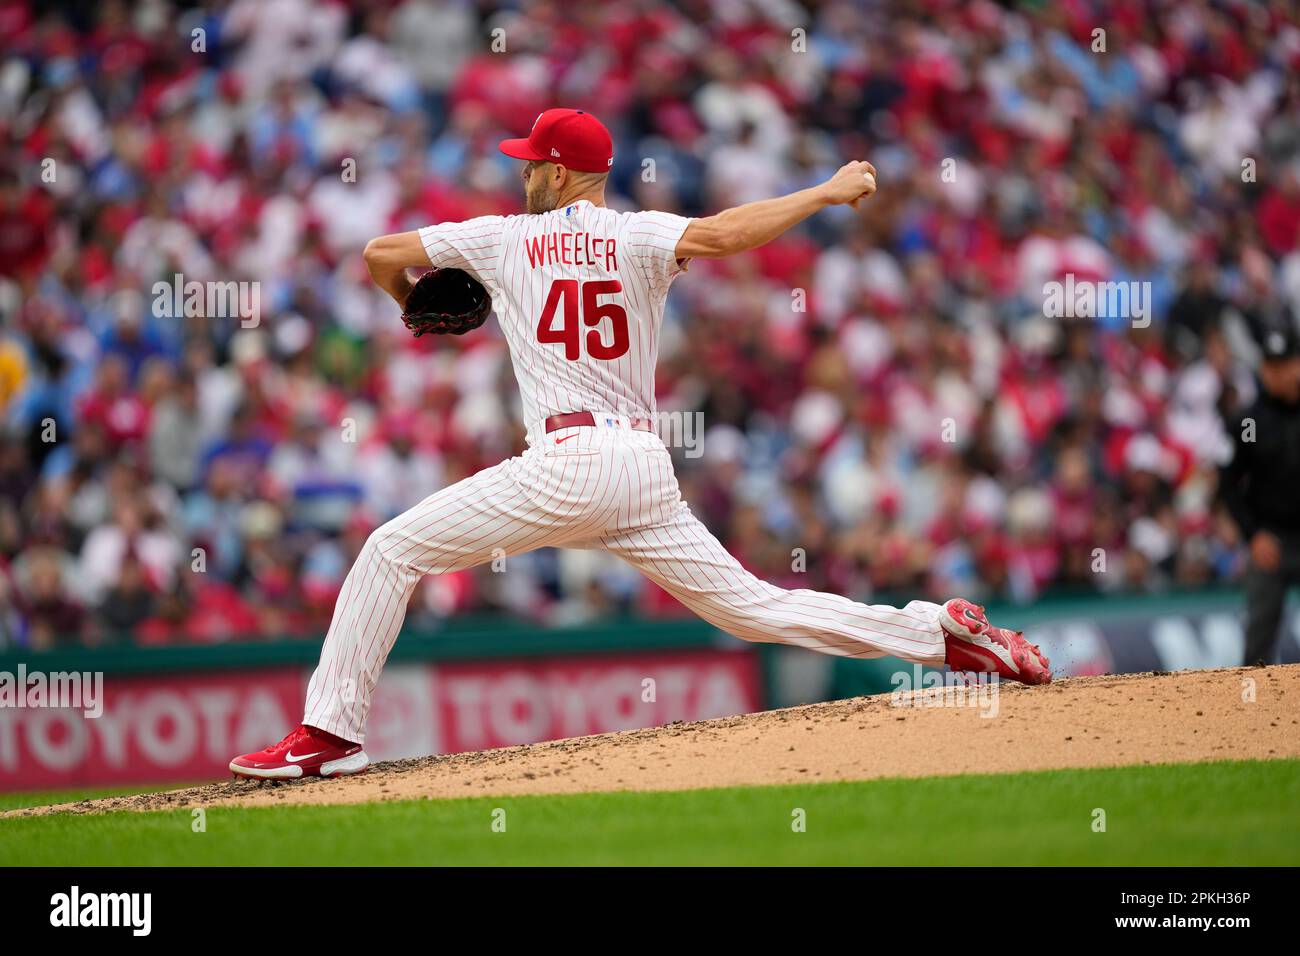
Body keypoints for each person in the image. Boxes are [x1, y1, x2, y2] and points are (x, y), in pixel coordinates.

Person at [230, 109, 1050, 780]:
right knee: (758, 609)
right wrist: (824, 192)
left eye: (530, 163)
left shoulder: (503, 237)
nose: (523, 174)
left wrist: (411, 304)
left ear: (554, 172)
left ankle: (328, 737)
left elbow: (378, 254)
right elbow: (728, 235)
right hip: (642, 471)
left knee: (388, 550)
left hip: (567, 465)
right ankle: (939, 633)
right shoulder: (638, 234)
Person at [1220, 319, 1300, 665]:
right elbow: (1229, 482)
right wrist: (1252, 536)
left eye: (1284, 364)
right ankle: (1251, 716)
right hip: (1272, 541)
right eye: (1270, 366)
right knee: (1257, 648)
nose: (1276, 373)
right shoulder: (1250, 422)